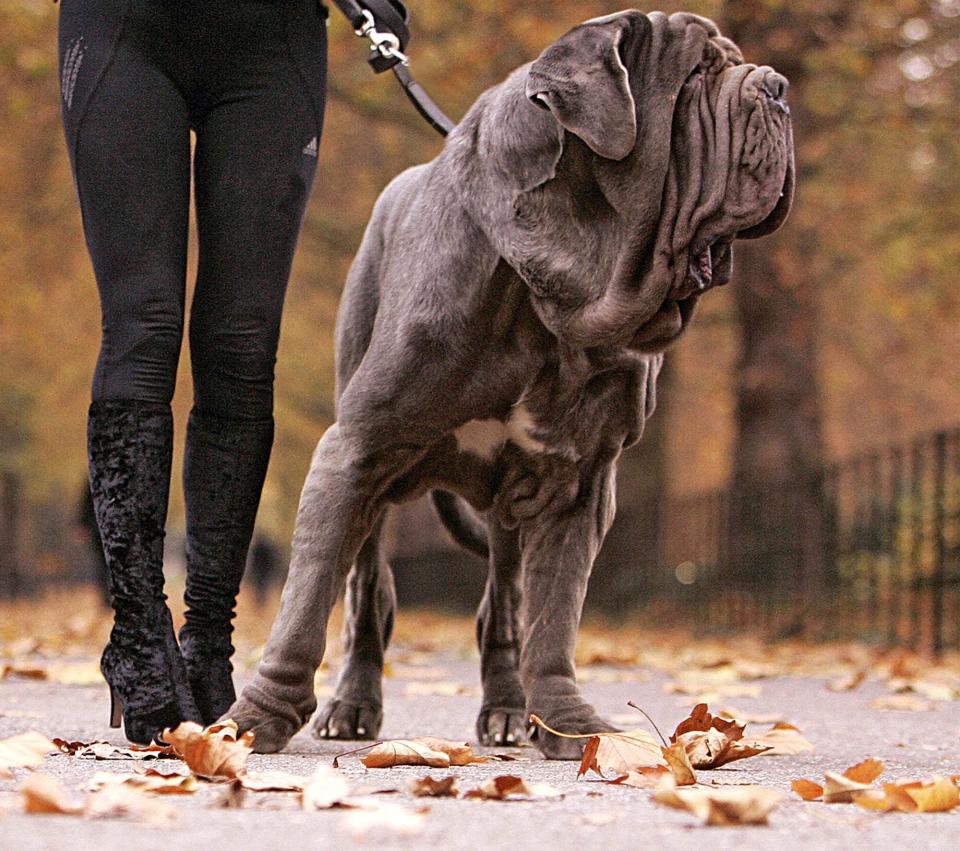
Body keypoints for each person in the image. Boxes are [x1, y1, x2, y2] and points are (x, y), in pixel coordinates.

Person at [57, 0, 328, 744]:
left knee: (243, 344)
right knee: (143, 327)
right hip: (123, 28)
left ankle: (209, 636)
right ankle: (139, 634)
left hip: (275, 41)